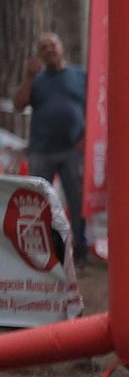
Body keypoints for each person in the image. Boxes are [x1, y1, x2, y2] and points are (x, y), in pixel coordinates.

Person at [11, 33, 88, 261]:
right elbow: (18, 104)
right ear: (39, 54)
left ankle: (80, 250)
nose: (49, 49)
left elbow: (95, 107)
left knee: (77, 200)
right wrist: (28, 77)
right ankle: (43, 251)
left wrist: (86, 138)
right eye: (43, 47)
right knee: (38, 201)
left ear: (61, 47)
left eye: (52, 45)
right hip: (41, 150)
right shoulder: (36, 80)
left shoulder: (79, 75)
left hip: (72, 150)